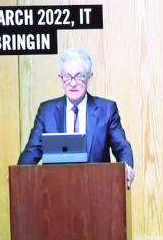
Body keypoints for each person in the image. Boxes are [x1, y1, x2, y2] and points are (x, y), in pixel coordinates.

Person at [17, 48, 136, 187]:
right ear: (61, 78)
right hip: (55, 193)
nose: (73, 83)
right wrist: (18, 176)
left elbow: (122, 147)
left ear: (89, 78)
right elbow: (32, 151)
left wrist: (127, 167)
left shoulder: (107, 110)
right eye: (67, 77)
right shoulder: (46, 111)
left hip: (97, 192)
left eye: (79, 77)